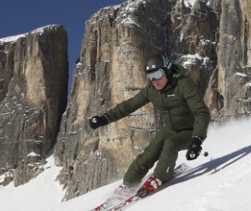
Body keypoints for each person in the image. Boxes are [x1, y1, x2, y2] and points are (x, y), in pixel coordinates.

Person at [88, 54, 211, 197]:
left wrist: (197, 140)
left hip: (192, 130)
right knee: (149, 154)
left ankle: (160, 177)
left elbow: (201, 113)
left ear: (168, 70)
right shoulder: (151, 90)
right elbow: (129, 105)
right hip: (171, 129)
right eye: (150, 76)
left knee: (170, 144)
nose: (155, 81)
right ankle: (128, 185)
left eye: (158, 74)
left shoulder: (183, 85)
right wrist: (105, 118)